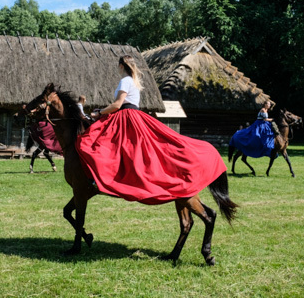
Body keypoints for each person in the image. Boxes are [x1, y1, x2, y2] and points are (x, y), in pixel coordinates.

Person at [76, 56, 227, 204]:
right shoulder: (134, 82)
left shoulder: (125, 80)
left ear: (121, 66)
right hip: (133, 115)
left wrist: (99, 112)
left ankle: (99, 179)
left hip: (125, 116)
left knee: (97, 142)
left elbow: (117, 105)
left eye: (118, 66)